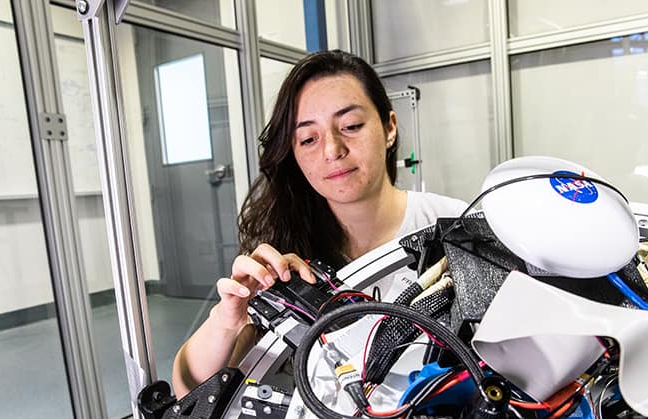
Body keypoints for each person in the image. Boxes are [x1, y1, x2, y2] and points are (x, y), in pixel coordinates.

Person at [173, 50, 466, 398]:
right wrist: (230, 317)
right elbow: (187, 390)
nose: (332, 149)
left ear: (389, 128)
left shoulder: (454, 227)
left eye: (351, 126)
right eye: (309, 139)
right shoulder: (284, 255)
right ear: (293, 154)